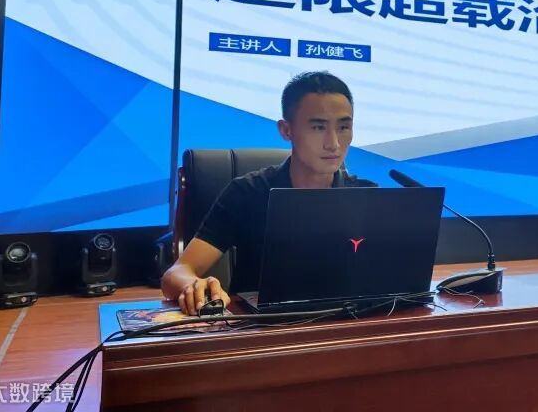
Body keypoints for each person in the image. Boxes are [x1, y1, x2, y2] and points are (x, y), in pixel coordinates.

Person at [160, 71, 376, 315]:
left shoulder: (368, 197)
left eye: (344, 127)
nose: (334, 143)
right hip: (261, 328)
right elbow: (175, 274)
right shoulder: (247, 193)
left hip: (347, 324)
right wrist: (193, 285)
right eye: (318, 127)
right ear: (286, 130)